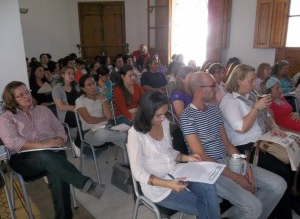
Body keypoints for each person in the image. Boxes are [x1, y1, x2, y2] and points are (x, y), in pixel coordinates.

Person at [180, 72, 286, 219]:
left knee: (278, 185)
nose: (217, 89)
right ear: (199, 89)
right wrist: (237, 177)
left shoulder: (214, 110)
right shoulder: (187, 117)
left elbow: (227, 144)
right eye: (212, 86)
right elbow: (201, 156)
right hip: (208, 169)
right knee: (253, 206)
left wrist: (245, 165)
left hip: (227, 161)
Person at [0, 81, 105, 219]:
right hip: (24, 159)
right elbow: (12, 142)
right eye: (20, 95)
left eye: (27, 92)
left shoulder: (43, 110)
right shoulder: (6, 117)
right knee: (46, 157)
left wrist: (60, 139)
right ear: (11, 99)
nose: (26, 96)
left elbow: (59, 129)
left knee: (56, 170)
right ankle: (86, 184)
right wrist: (43, 145)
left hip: (52, 153)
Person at [127, 91, 221, 219]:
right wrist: (168, 184)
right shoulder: (135, 134)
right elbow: (138, 173)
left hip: (175, 171)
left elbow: (168, 151)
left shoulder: (164, 123)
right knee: (205, 205)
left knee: (209, 188)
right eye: (158, 115)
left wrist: (185, 157)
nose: (162, 119)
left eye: (164, 114)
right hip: (158, 188)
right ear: (146, 113)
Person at [219, 64, 293, 219]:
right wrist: (256, 108)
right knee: (281, 171)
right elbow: (240, 128)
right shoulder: (229, 101)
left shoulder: (251, 94)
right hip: (245, 148)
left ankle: (282, 207)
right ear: (238, 80)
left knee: (289, 164)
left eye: (254, 80)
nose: (254, 84)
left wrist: (273, 125)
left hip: (263, 139)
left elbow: (267, 114)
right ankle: (277, 213)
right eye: (251, 80)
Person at [75, 74, 127, 161]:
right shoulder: (80, 101)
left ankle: (129, 167)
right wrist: (105, 119)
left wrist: (103, 100)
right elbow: (89, 120)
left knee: (127, 143)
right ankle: (126, 135)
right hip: (91, 133)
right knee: (104, 134)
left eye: (93, 83)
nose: (92, 86)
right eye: (89, 85)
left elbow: (109, 116)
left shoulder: (101, 97)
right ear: (83, 89)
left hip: (108, 129)